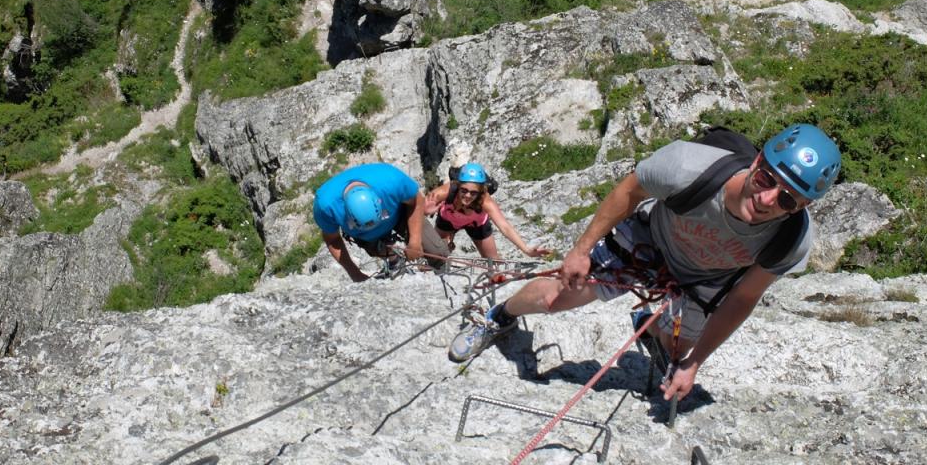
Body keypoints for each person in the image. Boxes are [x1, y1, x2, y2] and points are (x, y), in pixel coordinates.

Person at [447, 124, 842, 406]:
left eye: (787, 199)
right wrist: (581, 249)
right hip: (649, 239)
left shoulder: (791, 240)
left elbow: (743, 298)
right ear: (757, 161)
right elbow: (629, 191)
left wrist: (693, 363)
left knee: (678, 351)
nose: (768, 199)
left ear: (803, 207)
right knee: (556, 297)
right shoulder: (689, 166)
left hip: (706, 278)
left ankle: (652, 330)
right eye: (767, 179)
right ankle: (500, 316)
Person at [314, 162, 449, 283]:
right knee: (378, 247)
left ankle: (441, 267)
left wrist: (415, 240)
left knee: (439, 253)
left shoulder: (391, 181)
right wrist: (355, 274)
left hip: (399, 213)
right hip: (365, 235)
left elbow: (417, 200)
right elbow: (332, 239)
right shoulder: (326, 206)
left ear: (379, 200)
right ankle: (394, 260)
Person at [424, 162, 552, 260]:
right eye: (464, 190)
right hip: (447, 222)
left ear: (480, 192)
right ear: (458, 186)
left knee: (493, 261)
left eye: (473, 193)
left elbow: (505, 227)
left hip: (477, 225)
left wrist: (527, 250)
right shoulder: (443, 192)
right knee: (434, 256)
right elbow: (416, 210)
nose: (467, 196)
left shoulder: (486, 201)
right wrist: (424, 211)